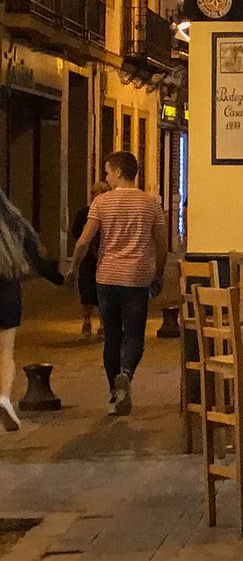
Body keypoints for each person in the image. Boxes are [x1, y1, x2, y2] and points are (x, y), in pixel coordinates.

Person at [67, 151, 167, 417]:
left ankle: (115, 392)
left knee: (111, 336)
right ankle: (126, 373)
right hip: (136, 278)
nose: (106, 177)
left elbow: (84, 241)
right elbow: (162, 243)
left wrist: (73, 267)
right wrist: (159, 273)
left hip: (107, 278)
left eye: (108, 172)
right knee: (134, 335)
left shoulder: (101, 203)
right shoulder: (151, 204)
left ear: (120, 173)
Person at [0, 190, 65, 431]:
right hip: (7, 290)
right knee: (5, 353)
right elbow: (37, 259)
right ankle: (3, 398)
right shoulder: (14, 221)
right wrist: (59, 279)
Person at [70, 182, 111, 338]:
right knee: (90, 290)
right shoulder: (85, 213)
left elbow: (77, 234)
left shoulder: (86, 213)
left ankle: (97, 323)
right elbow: (77, 234)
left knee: (99, 290)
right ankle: (92, 322)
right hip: (93, 257)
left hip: (100, 256)